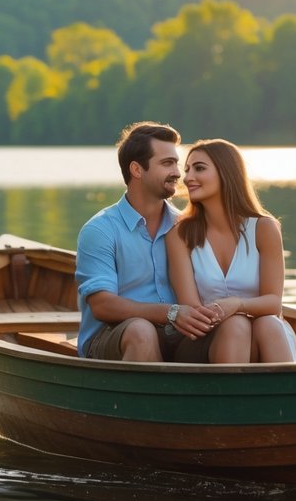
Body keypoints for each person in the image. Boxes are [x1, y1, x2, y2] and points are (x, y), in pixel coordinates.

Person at [75, 122, 215, 361]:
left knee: (233, 329)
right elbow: (102, 306)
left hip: (176, 334)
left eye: (176, 163)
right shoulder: (100, 230)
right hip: (112, 337)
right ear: (137, 170)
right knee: (141, 331)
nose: (178, 173)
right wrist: (169, 313)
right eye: (167, 163)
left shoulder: (184, 226)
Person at [166, 139, 296, 363]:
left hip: (264, 332)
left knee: (269, 324)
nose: (187, 178)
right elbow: (193, 311)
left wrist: (237, 304)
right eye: (187, 170)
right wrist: (232, 316)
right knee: (237, 326)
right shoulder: (179, 235)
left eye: (199, 168)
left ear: (226, 172)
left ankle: (289, 395)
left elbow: (273, 303)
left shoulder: (264, 228)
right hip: (205, 338)